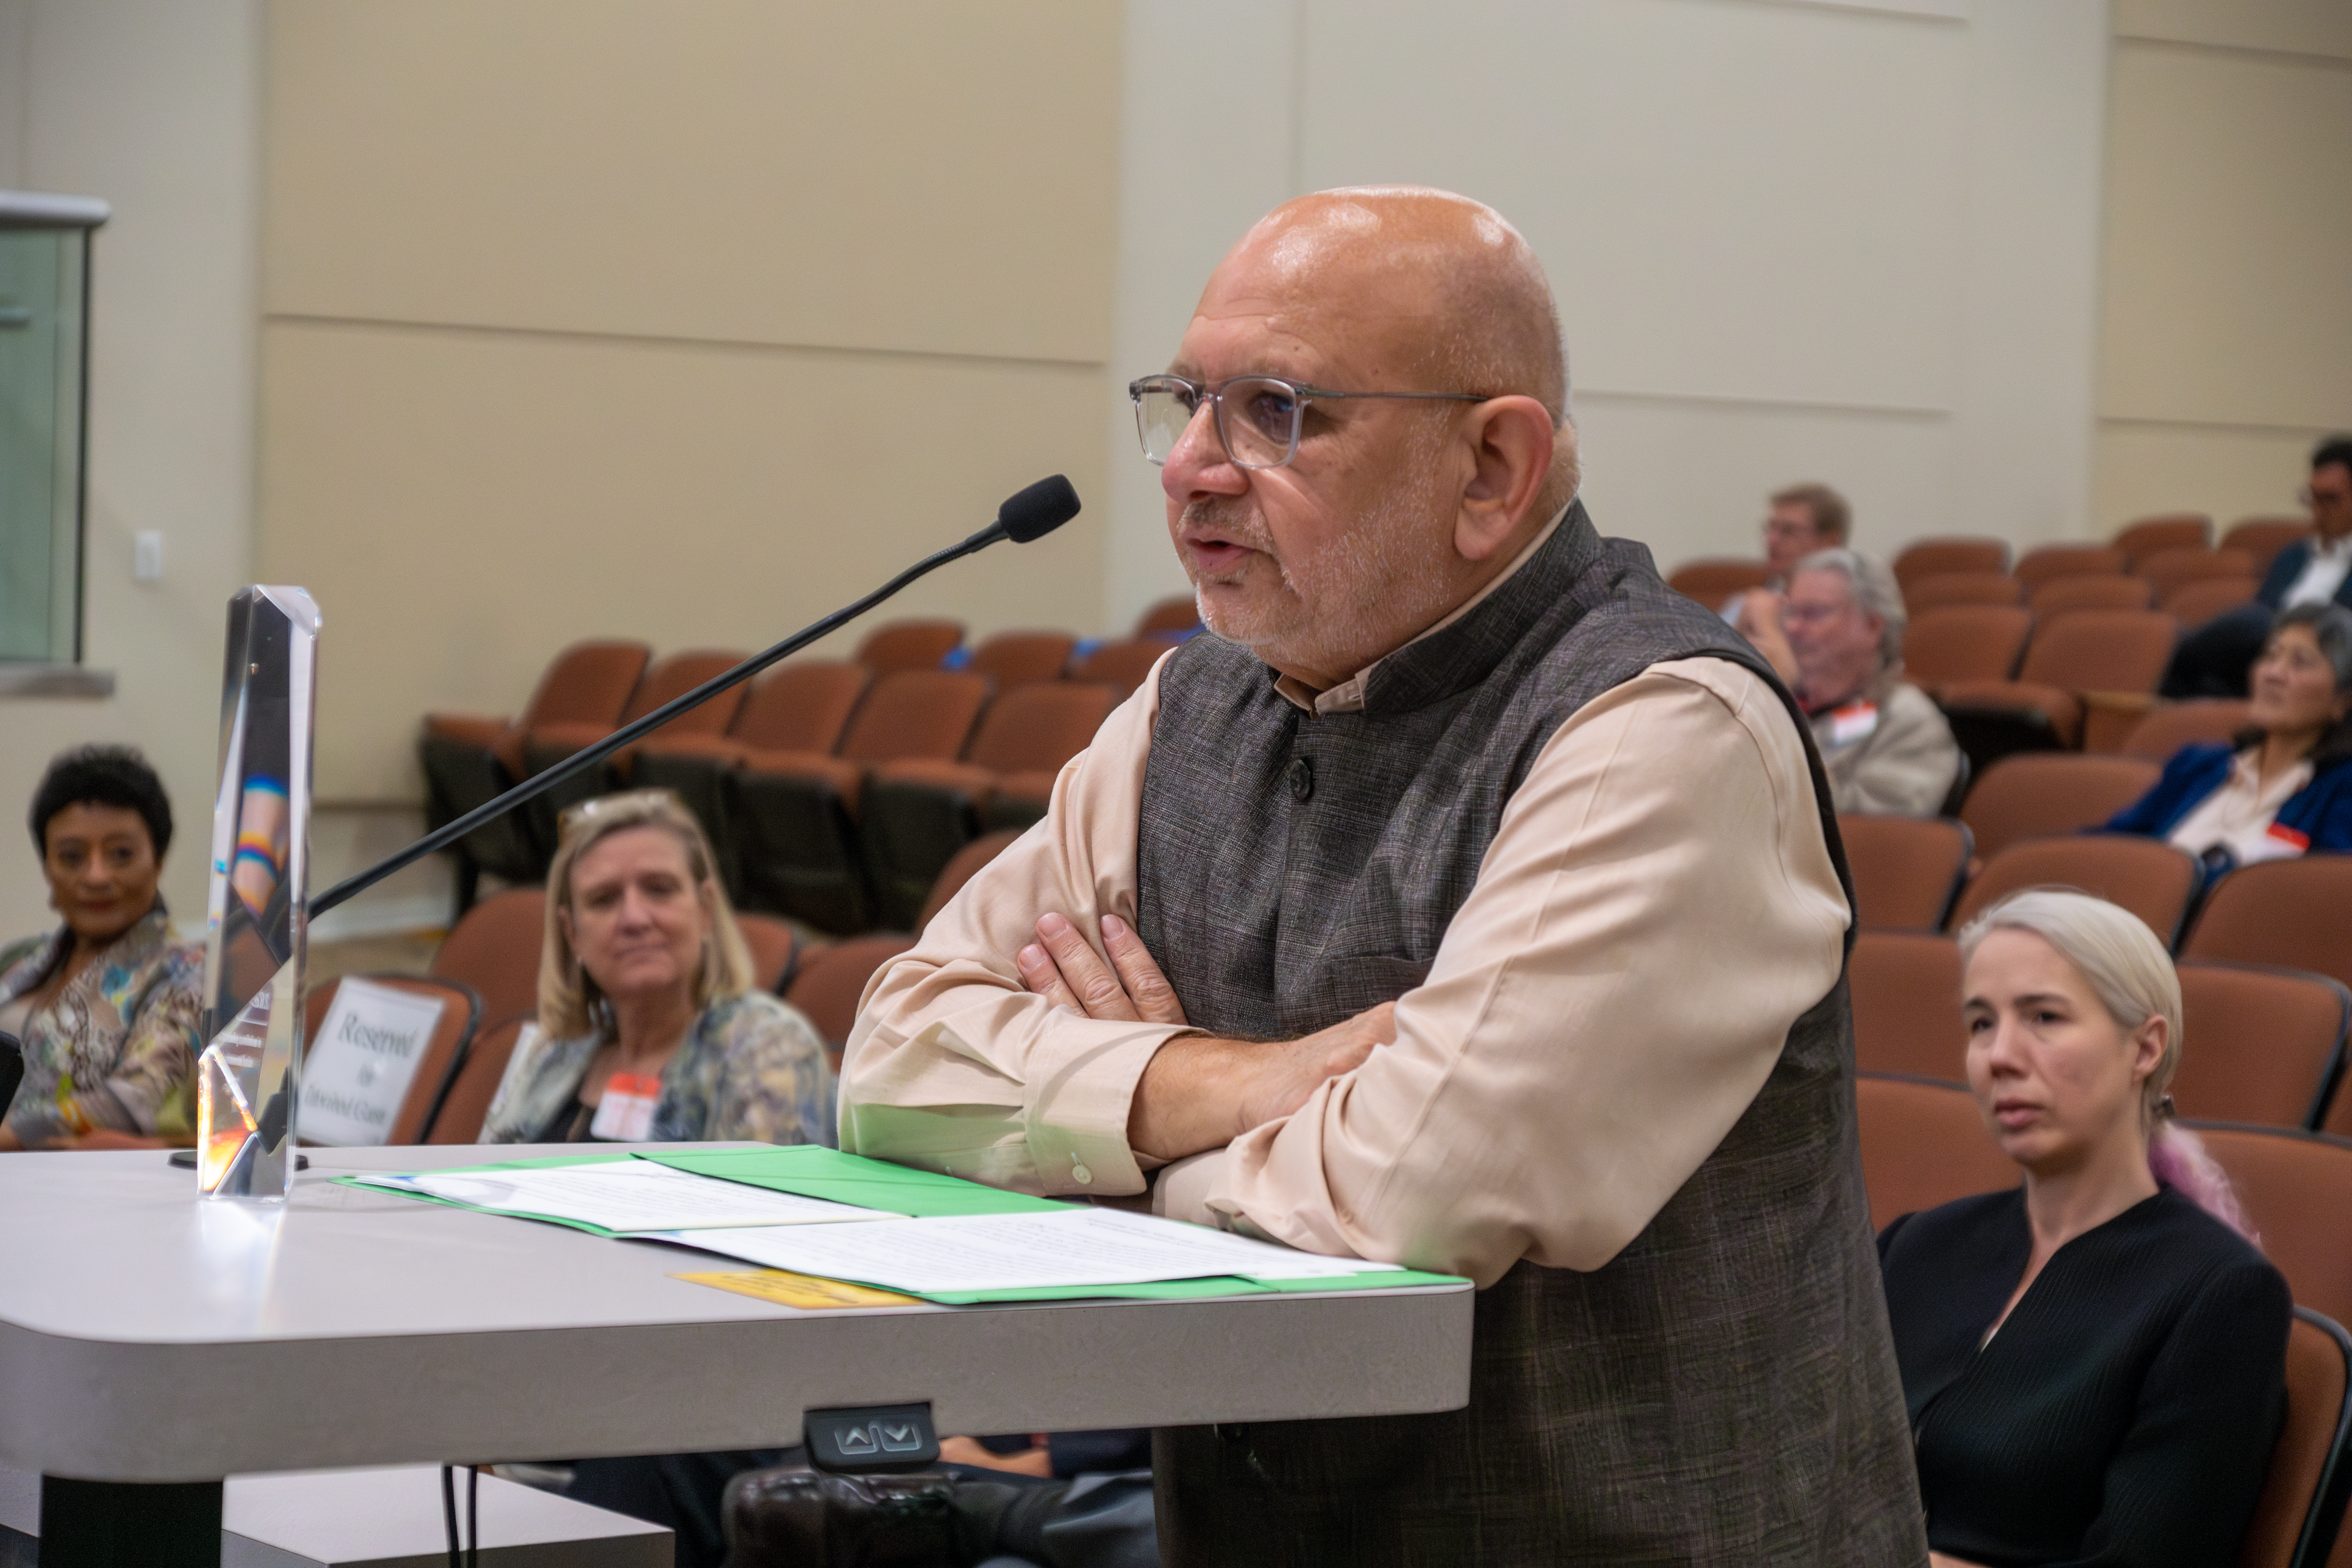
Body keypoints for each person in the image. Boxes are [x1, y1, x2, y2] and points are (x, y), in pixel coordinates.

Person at [840, 187, 1923, 1562]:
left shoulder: (1663, 729)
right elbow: (890, 1066)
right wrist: (1233, 1084)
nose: (1190, 468)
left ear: (1491, 470)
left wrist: (1084, 1147)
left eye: (1279, 412)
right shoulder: (1187, 712)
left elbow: (1403, 1207)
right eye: (1185, 403)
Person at [1877, 889, 2289, 1567]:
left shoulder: (2219, 1295)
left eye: (2044, 1017)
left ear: (2144, 1049)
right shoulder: (1916, 1245)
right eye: (1981, 1024)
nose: (1999, 1055)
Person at [481, 788, 831, 1145]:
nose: (634, 919)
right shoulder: (557, 1048)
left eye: (660, 889)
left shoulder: (767, 1049)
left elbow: (760, 1200)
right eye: (603, 900)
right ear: (572, 934)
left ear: (705, 910)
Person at [0, 746, 202, 1150]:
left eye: (121, 854)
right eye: (72, 856)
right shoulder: (19, 958)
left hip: (86, 1193)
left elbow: (138, 1098)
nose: (96, 875)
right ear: (48, 867)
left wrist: (11, 1137)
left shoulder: (189, 973)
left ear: (158, 860)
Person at [2107, 603, 2352, 866]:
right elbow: (2107, 844)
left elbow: (2319, 894)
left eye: (2300, 662)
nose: (2273, 673)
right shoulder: (2195, 765)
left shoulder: (2341, 791)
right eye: (2271, 656)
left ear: (2343, 700)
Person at [1771, 547, 1961, 815]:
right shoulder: (1783, 701)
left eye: (1814, 613)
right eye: (1791, 613)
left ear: (1873, 626)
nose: (1793, 628)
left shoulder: (1908, 720)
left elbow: (1865, 832)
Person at [2163, 435, 2352, 697]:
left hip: (2325, 668)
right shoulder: (2293, 556)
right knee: (2201, 683)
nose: (2317, 511)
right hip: (2267, 660)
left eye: (2330, 500)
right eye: (2312, 498)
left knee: (2253, 622)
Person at [1730, 480, 1853, 682]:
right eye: (1770, 529)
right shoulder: (1747, 603)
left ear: (1830, 542)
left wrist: (1767, 628)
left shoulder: (1847, 615)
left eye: (1788, 531)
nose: (1772, 540)